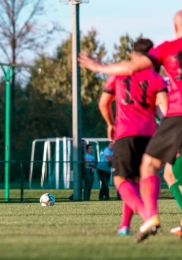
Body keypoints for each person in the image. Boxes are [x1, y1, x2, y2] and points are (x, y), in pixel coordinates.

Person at [78, 10, 182, 242]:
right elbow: (161, 105)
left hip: (134, 130)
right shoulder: (156, 79)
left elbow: (107, 98)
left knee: (130, 178)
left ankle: (148, 215)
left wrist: (98, 67)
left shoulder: (166, 49)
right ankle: (127, 223)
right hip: (151, 131)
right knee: (162, 173)